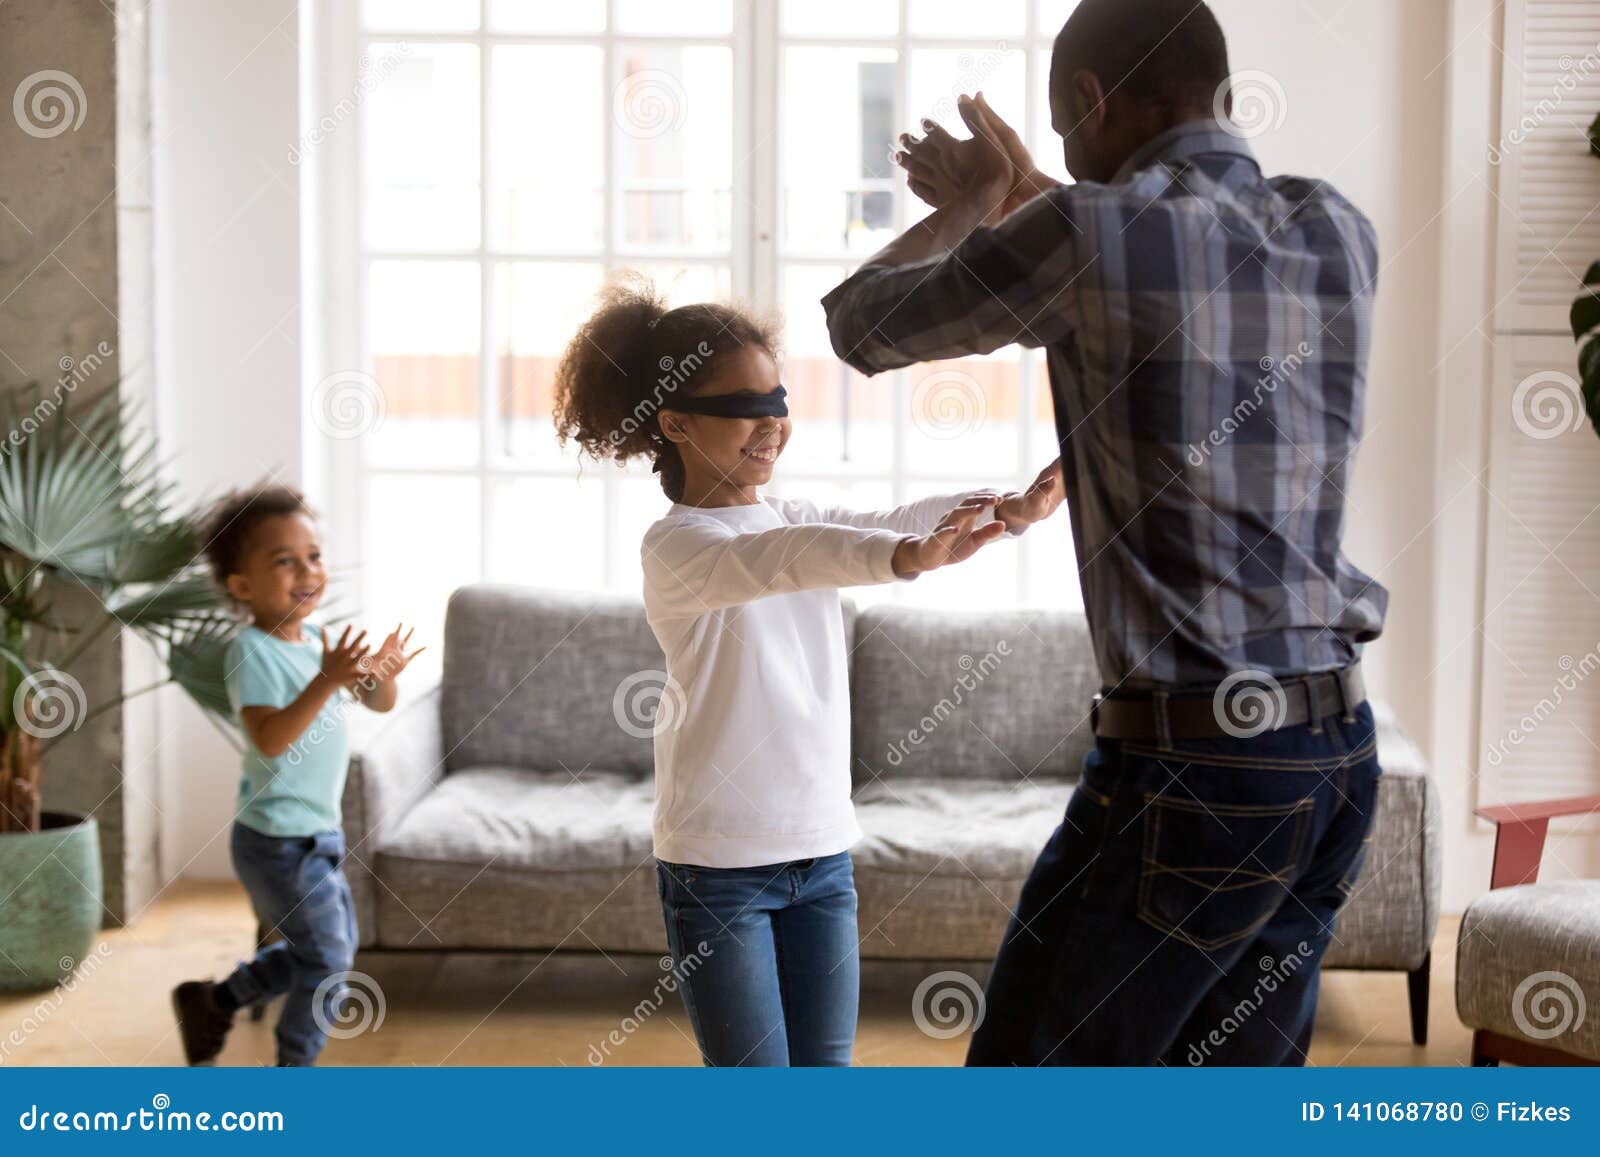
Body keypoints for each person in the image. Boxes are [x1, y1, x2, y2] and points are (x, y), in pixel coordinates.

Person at [822, 0, 1388, 1065]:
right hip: (1331, 761)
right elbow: (1156, 247)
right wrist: (1030, 193)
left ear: (1087, 100)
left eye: (1066, 126)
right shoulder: (1335, 229)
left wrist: (976, 206)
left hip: (1199, 769)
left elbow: (859, 324)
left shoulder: (1084, 235)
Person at [552, 277, 1064, 1066]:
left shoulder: (785, 514)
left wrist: (1004, 509)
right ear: (676, 422)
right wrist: (902, 560)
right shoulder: (678, 546)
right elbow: (787, 560)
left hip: (822, 856)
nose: (772, 424)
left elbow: (878, 523)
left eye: (777, 397)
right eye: (742, 407)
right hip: (718, 868)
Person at [171, 484, 424, 1066]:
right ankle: (293, 1071)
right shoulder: (251, 652)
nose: (306, 570)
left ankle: (215, 999)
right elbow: (271, 737)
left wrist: (380, 674)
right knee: (329, 960)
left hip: (318, 835)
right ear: (242, 588)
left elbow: (378, 702)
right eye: (284, 561)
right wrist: (327, 681)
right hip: (274, 841)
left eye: (313, 556)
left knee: (327, 951)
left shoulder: (316, 642)